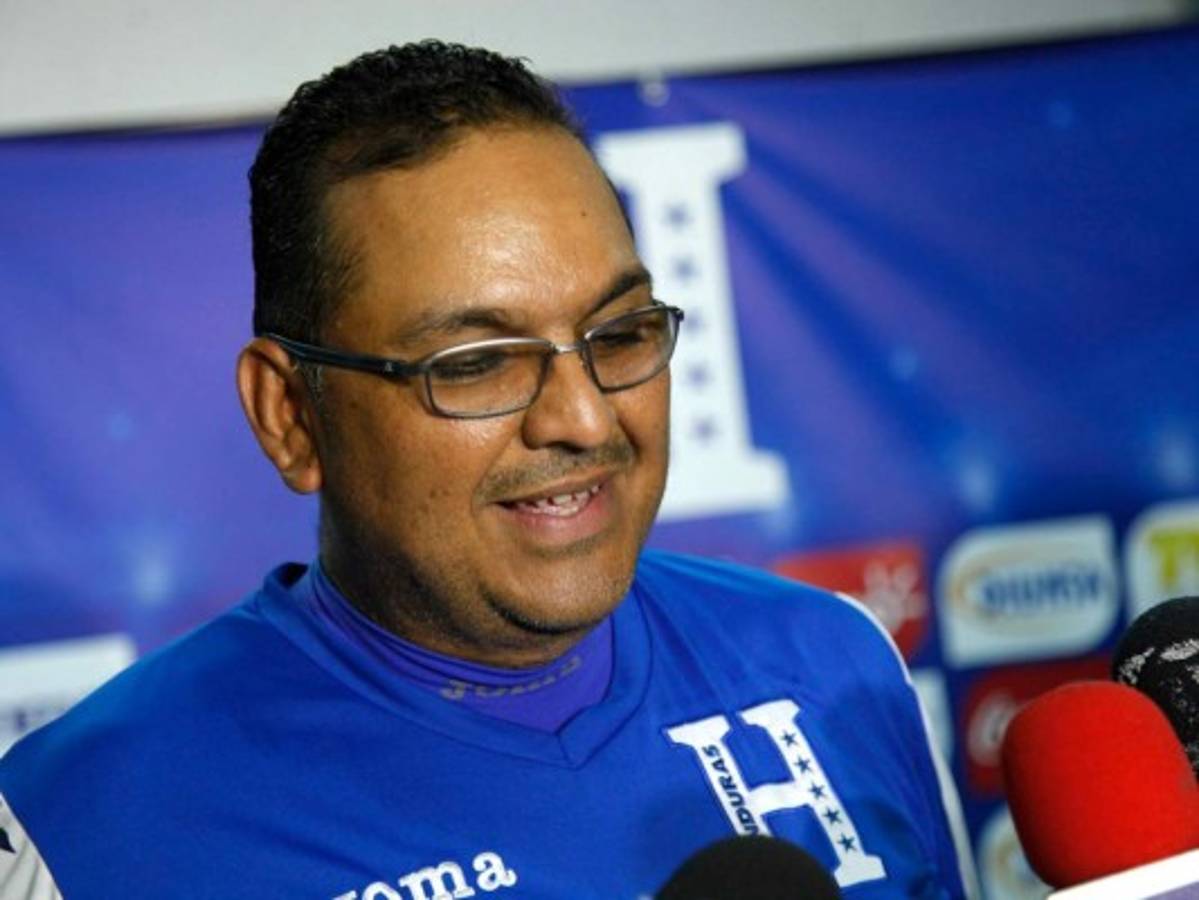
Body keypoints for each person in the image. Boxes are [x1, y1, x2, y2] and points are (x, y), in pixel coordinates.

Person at [0, 42, 976, 899]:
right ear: (291, 416)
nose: (582, 419)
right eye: (474, 364)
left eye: (618, 333)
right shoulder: (82, 830)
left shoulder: (834, 662)